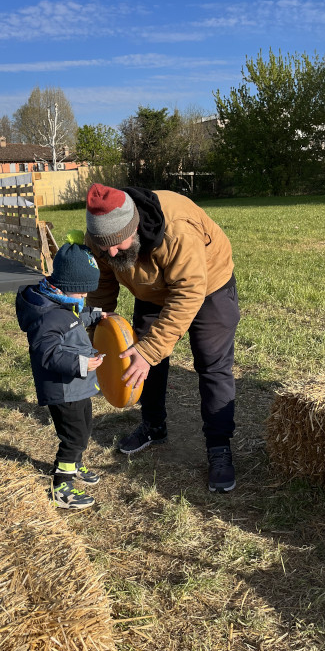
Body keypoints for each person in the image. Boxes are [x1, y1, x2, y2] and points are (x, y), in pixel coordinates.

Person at [84, 183, 240, 493]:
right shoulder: (101, 240)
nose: (112, 252)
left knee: (212, 363)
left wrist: (151, 349)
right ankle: (153, 426)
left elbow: (189, 291)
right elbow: (102, 284)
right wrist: (96, 330)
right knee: (139, 355)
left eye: (118, 243)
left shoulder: (177, 231)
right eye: (105, 247)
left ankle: (219, 447)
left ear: (135, 227)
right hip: (152, 291)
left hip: (208, 285)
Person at [16, 242, 106, 510]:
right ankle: (62, 486)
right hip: (64, 389)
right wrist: (81, 363)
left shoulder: (59, 303)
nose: (83, 298)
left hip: (76, 387)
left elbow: (73, 321)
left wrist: (95, 316)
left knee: (85, 426)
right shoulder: (47, 316)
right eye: (82, 292)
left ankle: (74, 465)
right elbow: (47, 354)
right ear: (66, 284)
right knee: (74, 436)